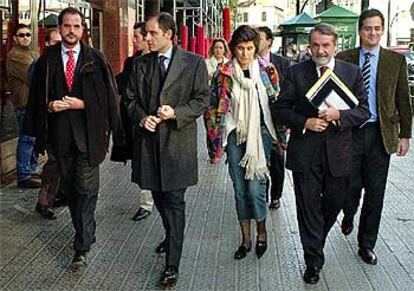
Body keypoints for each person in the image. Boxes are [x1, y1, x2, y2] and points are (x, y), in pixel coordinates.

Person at [24, 7, 122, 271]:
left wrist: (82, 104)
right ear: (60, 28)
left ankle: (81, 246)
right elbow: (35, 99)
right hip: (60, 140)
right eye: (66, 26)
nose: (71, 31)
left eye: (76, 26)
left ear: (83, 29)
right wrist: (49, 107)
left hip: (89, 138)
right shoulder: (48, 60)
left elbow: (109, 100)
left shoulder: (95, 59)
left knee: (87, 191)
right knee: (72, 192)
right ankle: (85, 231)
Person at [274, 24, 369, 284]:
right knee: (307, 208)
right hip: (306, 154)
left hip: (339, 154)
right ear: (309, 45)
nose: (320, 50)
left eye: (326, 45)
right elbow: (281, 108)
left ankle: (317, 237)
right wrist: (305, 122)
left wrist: (340, 115)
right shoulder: (296, 72)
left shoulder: (352, 72)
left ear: (335, 46)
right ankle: (313, 261)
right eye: (316, 45)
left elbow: (364, 111)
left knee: (334, 203)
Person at [124, 12, 209, 287]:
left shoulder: (194, 63)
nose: (146, 38)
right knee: (160, 199)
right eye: (146, 34)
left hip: (177, 146)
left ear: (169, 35)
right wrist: (141, 117)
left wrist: (176, 112)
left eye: (152, 33)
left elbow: (202, 100)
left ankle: (173, 264)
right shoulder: (140, 64)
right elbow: (130, 100)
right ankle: (170, 234)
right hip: (149, 146)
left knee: (174, 202)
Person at [337, 9, 412, 265]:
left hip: (380, 134)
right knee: (350, 186)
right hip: (351, 134)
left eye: (377, 28)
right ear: (360, 30)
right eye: (368, 28)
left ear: (382, 30)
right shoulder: (344, 58)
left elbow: (404, 99)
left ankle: (366, 243)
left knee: (376, 192)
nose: (372, 33)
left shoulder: (395, 61)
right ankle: (348, 212)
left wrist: (405, 135)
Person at [207, 25, 281, 261]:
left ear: (256, 49)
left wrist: (282, 137)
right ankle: (245, 239)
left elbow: (277, 104)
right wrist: (216, 144)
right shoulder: (223, 74)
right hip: (235, 136)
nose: (245, 53)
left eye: (250, 48)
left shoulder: (267, 71)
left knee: (255, 189)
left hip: (261, 136)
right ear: (233, 49)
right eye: (240, 48)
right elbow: (212, 108)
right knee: (240, 189)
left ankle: (261, 231)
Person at [110, 22, 153, 222]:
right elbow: (121, 85)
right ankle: (146, 203)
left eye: (136, 36)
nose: (134, 40)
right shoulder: (132, 62)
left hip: (157, 122)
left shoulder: (159, 61)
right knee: (141, 163)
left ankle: (153, 199)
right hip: (136, 123)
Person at [32, 27, 65, 220]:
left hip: (67, 125)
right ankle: (44, 201)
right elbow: (35, 96)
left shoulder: (66, 63)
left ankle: (58, 195)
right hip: (49, 123)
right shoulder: (40, 65)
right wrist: (50, 105)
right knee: (54, 163)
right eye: (54, 43)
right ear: (46, 44)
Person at [257, 26, 290, 210]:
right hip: (256, 122)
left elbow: (289, 91)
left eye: (259, 38)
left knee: (277, 161)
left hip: (277, 122)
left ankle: (275, 195)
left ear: (269, 41)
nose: (255, 41)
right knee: (261, 161)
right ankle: (262, 193)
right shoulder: (248, 62)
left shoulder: (282, 63)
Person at [7, 24, 40, 188]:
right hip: (24, 104)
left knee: (33, 138)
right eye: (21, 35)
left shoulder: (31, 53)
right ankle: (24, 175)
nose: (25, 37)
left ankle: (30, 169)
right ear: (14, 38)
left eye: (28, 34)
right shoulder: (15, 56)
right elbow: (35, 76)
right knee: (27, 138)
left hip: (33, 104)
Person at [204, 38, 230, 163]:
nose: (218, 50)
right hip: (210, 100)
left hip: (224, 100)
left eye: (221, 47)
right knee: (210, 126)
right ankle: (212, 152)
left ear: (225, 49)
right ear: (212, 49)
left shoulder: (229, 64)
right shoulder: (206, 63)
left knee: (221, 126)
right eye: (216, 48)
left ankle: (220, 150)